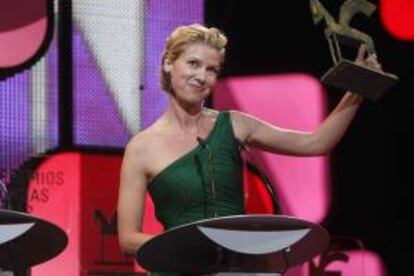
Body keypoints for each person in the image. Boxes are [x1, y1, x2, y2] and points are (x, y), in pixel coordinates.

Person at [117, 24, 382, 256]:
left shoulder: (234, 124)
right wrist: (185, 248)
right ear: (168, 63)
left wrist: (356, 89)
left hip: (237, 267)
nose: (201, 77)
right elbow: (128, 239)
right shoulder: (141, 148)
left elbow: (316, 143)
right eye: (193, 63)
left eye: (212, 70)